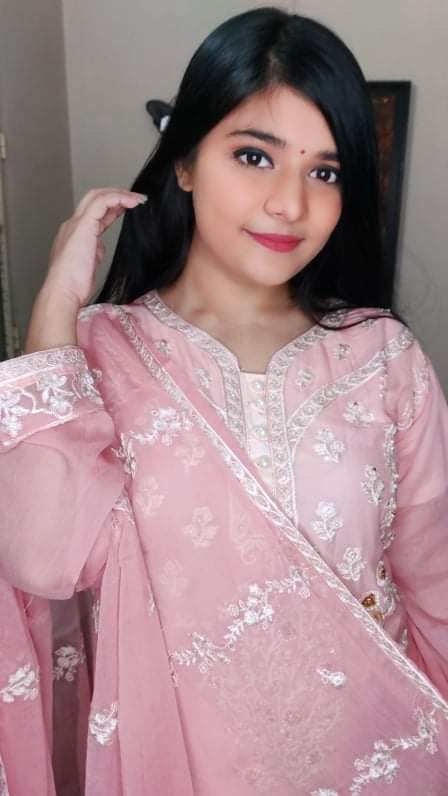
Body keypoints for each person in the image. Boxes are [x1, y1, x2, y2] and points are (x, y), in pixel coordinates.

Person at [0, 6, 447, 794]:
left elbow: (436, 584)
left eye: (325, 171)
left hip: (378, 757)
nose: (289, 204)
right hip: (174, 768)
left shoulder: (383, 358)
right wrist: (54, 309)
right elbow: (39, 560)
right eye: (253, 156)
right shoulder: (97, 353)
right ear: (183, 162)